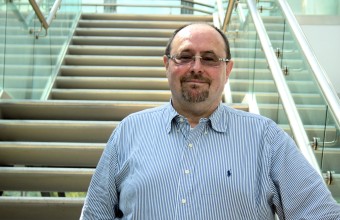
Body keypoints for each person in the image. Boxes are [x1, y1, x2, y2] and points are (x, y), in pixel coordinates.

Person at [80, 23, 340, 219]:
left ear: (227, 69)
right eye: (184, 56)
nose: (196, 67)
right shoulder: (130, 131)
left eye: (209, 58)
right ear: (167, 65)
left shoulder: (265, 138)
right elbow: (95, 214)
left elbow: (320, 214)